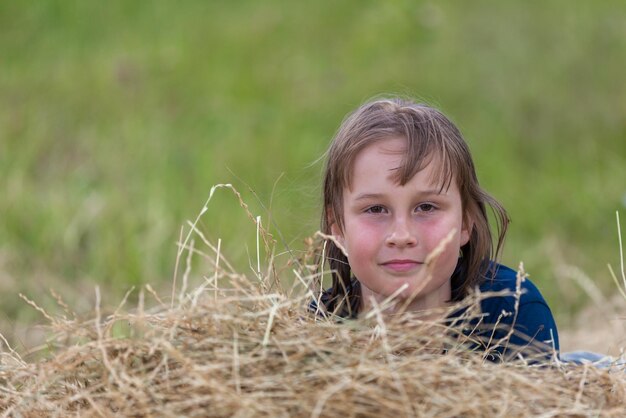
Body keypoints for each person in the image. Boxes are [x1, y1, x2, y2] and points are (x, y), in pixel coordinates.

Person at [312, 97, 560, 362]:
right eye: (375, 209)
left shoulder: (511, 313)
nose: (402, 236)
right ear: (337, 227)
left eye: (426, 207)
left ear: (465, 221)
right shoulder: (316, 331)